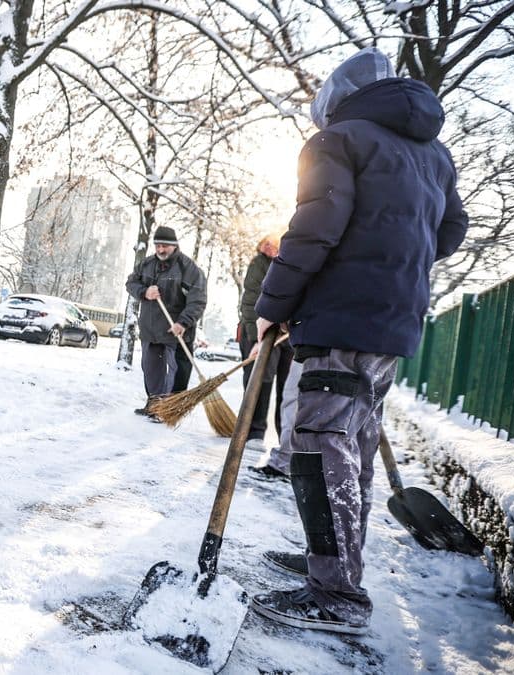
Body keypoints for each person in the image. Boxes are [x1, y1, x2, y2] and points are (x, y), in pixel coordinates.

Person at [249, 47, 468, 635]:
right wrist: (396, 259)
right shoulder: (433, 154)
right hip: (393, 323)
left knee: (319, 446)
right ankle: (335, 566)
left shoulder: (338, 141)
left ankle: (336, 594)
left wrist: (271, 309)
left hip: (341, 320)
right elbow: (451, 230)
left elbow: (313, 231)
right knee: (352, 449)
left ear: (336, 99)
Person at [125, 226, 207, 414]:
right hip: (151, 329)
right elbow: (131, 283)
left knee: (178, 370)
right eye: (157, 246)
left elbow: (198, 299)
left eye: (165, 246)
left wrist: (183, 322)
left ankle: (171, 409)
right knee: (151, 369)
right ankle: (154, 405)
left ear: (174, 245)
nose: (161, 250)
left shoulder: (188, 268)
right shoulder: (146, 264)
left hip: (176, 330)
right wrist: (144, 292)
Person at [238, 234, 293, 455]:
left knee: (288, 388)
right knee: (261, 379)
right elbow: (251, 301)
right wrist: (255, 339)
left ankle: (285, 438)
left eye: (274, 242)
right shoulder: (259, 265)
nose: (270, 247)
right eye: (266, 243)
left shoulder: (294, 263)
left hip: (288, 333)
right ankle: (254, 432)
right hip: (262, 331)